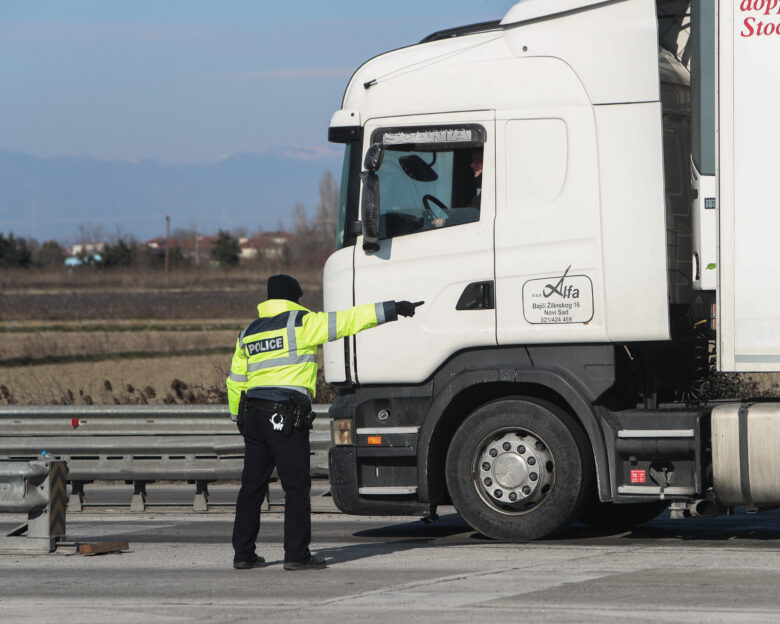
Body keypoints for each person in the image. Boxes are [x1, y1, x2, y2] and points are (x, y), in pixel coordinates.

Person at [227, 274, 422, 571]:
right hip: (285, 414)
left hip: (252, 414)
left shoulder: (248, 332)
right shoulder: (300, 324)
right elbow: (349, 320)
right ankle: (296, 555)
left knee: (251, 486)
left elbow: (235, 380)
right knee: (295, 487)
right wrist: (393, 308)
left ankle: (243, 553)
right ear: (294, 297)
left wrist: (237, 416)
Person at [431, 148, 483, 227]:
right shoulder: (483, 195)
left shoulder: (492, 195)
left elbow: (473, 215)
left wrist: (444, 222)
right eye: (473, 161)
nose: (471, 165)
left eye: (478, 161)